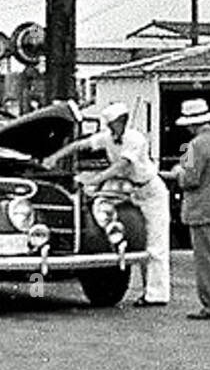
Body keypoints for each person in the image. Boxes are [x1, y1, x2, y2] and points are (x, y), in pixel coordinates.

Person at [45, 102, 170, 307]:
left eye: (119, 122)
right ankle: (110, 234)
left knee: (156, 245)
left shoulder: (136, 139)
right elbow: (81, 144)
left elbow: (121, 165)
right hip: (127, 189)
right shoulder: (107, 137)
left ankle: (156, 294)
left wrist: (93, 180)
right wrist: (54, 157)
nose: (116, 126)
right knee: (99, 204)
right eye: (113, 122)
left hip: (149, 190)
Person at [162, 98, 210, 320]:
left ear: (191, 124)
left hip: (201, 208)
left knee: (205, 259)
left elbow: (190, 179)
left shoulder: (194, 145)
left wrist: (178, 172)